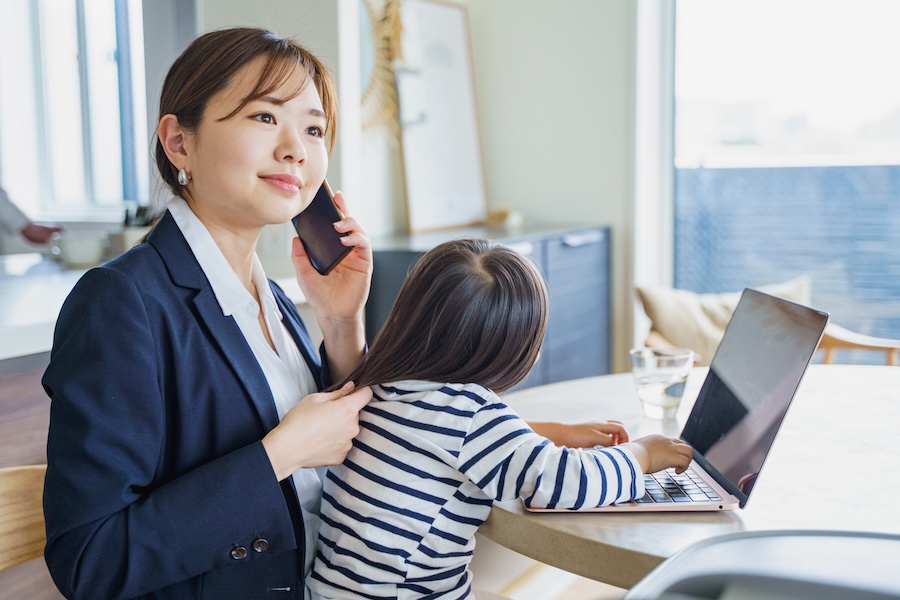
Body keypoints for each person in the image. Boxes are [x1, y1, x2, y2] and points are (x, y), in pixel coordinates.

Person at [40, 27, 632, 600]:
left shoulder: (273, 299)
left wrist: (343, 323)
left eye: (314, 128)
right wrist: (280, 454)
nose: (296, 149)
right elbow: (90, 561)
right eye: (264, 116)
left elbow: (360, 441)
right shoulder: (120, 303)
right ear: (179, 143)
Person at [309, 239, 693, 599]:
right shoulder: (471, 413)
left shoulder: (382, 385)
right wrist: (643, 454)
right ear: (511, 349)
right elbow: (566, 482)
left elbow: (445, 441)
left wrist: (556, 433)